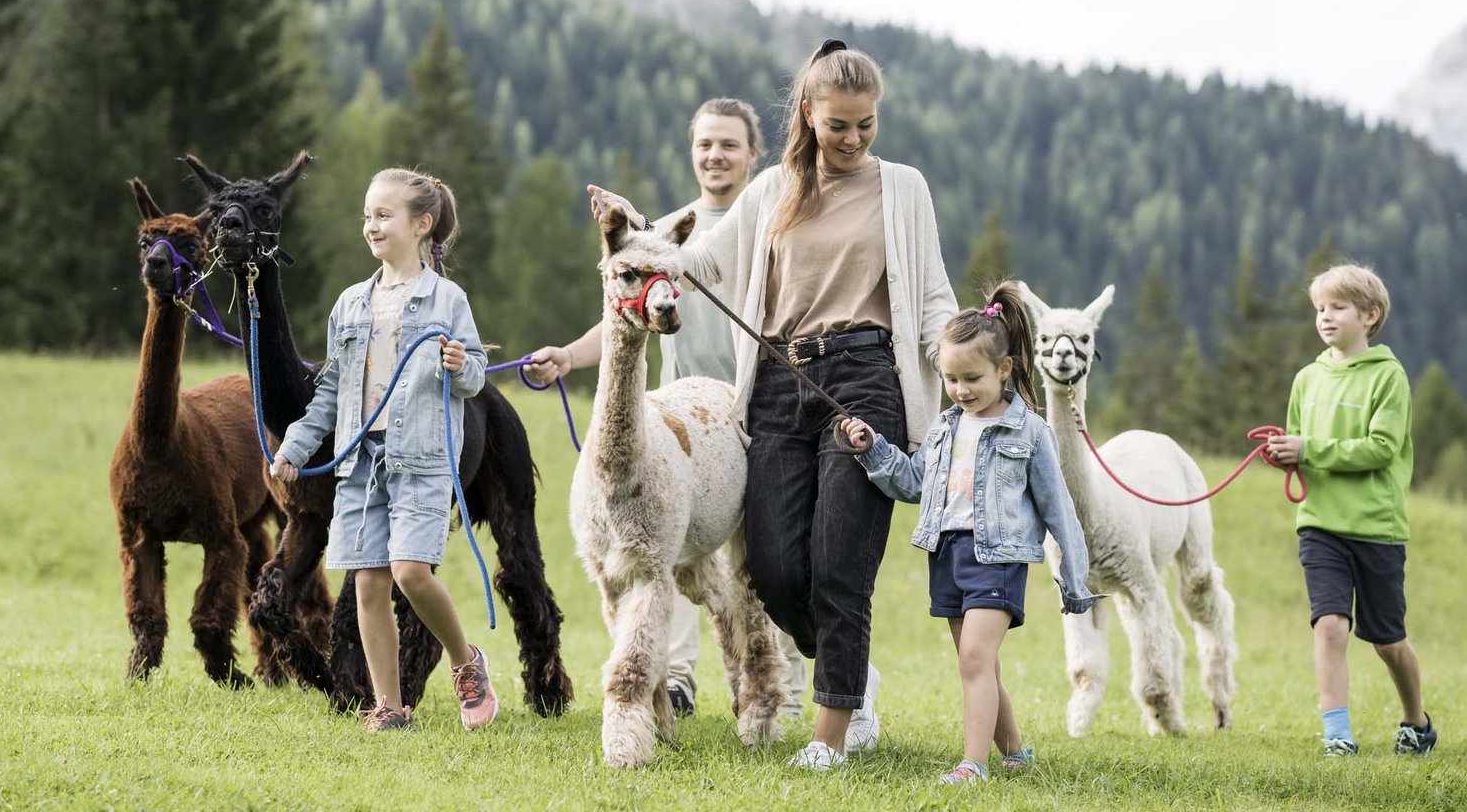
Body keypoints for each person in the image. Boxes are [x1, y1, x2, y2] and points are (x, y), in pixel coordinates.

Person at [532, 39, 959, 771]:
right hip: (776, 387)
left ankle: (830, 733)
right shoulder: (773, 191)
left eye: (866, 125)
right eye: (838, 126)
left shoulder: (904, 190)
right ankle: (847, 675)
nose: (853, 140)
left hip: (863, 383)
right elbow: (700, 261)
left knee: (837, 566)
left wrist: (964, 354)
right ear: (807, 115)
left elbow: (932, 298)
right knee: (772, 568)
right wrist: (634, 254)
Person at [532, 98, 807, 721]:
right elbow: (621, 313)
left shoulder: (768, 227)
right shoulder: (658, 238)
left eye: (729, 145)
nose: (715, 155)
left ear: (752, 155)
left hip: (751, 406)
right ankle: (671, 683)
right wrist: (569, 359)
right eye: (705, 143)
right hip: (679, 415)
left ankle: (772, 690)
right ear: (693, 149)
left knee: (761, 559)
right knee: (661, 551)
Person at [837, 281, 1099, 784]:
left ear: (1004, 370)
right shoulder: (944, 429)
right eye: (951, 379)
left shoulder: (1029, 431)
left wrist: (1074, 577)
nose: (960, 390)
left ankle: (973, 764)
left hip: (998, 558)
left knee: (976, 658)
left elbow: (1060, 510)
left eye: (972, 378)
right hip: (947, 554)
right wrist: (872, 448)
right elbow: (914, 483)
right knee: (978, 662)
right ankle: (1016, 754)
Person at [269, 168, 499, 732]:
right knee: (368, 582)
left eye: (383, 215)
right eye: (367, 215)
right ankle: (391, 708)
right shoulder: (350, 304)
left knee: (410, 573)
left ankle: (466, 661)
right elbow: (329, 390)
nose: (371, 225)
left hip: (420, 460)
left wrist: (460, 365)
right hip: (359, 462)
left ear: (421, 225)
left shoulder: (447, 299)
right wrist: (295, 446)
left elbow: (474, 372)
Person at [1263, 264, 1436, 757]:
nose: (1326, 317)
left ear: (1370, 315)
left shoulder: (1389, 377)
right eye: (1320, 308)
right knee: (1330, 625)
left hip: (1377, 528)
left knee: (1387, 641)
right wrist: (1286, 457)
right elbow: (1303, 452)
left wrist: (1309, 449)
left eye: (1338, 307)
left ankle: (1415, 721)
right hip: (1320, 525)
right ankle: (1337, 734)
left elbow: (1381, 448)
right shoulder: (1306, 379)